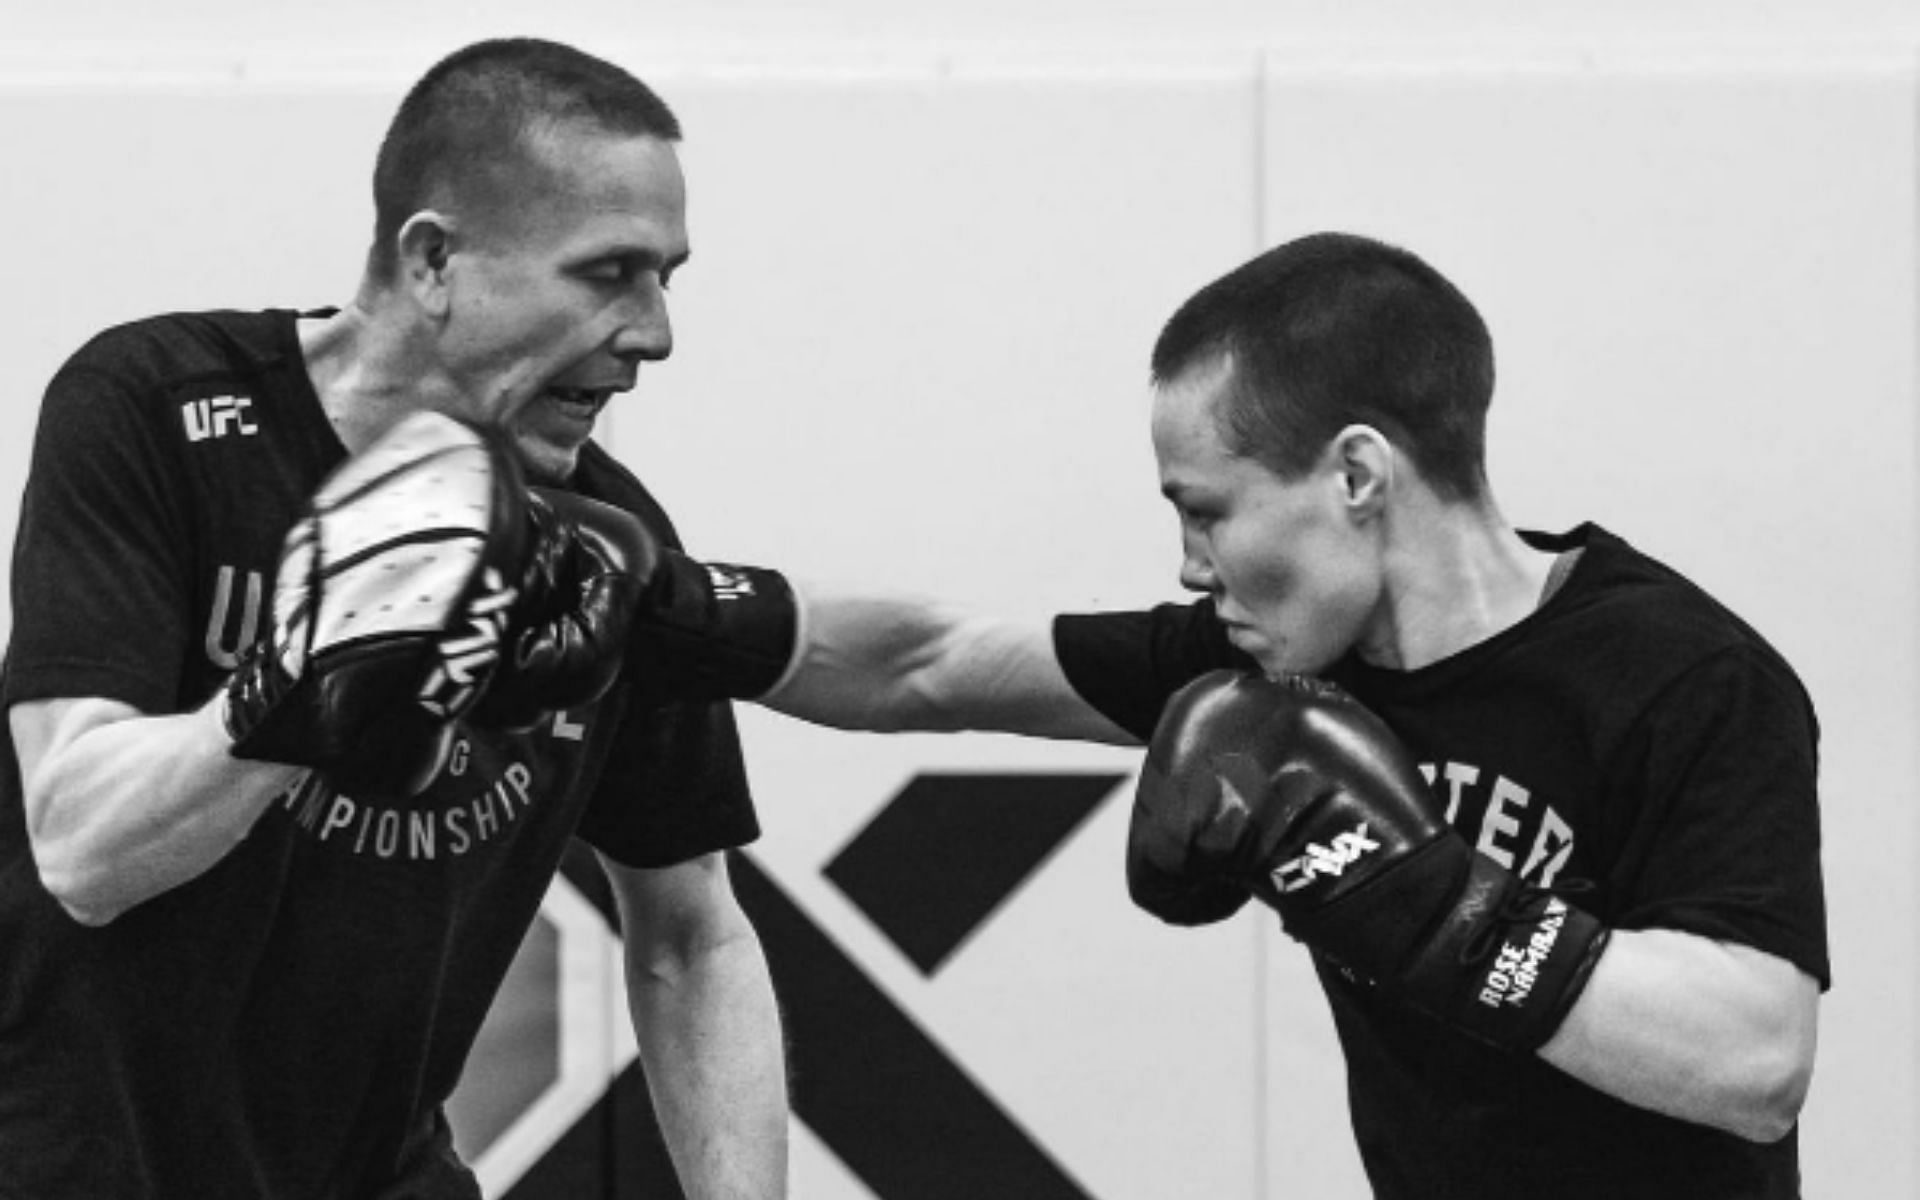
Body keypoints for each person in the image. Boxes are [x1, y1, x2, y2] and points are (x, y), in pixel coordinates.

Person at [740, 232, 1827, 1197]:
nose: (1187, 563)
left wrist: (1432, 903)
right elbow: (931, 664)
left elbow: (1754, 1063)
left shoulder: (1682, 678)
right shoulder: (1277, 659)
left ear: (1357, 473)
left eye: (1207, 512)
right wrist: (683, 618)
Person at [0, 38, 786, 1199]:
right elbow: (81, 849)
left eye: (666, 275)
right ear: (432, 262)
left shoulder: (606, 547)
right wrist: (296, 692)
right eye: (608, 273)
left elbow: (691, 937)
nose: (654, 331)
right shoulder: (158, 410)